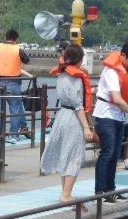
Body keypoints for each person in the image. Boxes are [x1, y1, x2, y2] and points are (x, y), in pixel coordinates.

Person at [93, 38, 128, 204]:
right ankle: (100, 192)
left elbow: (126, 90)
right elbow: (116, 98)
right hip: (105, 115)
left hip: (117, 116)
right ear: (122, 55)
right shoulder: (111, 71)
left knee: (115, 154)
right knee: (107, 153)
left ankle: (111, 190)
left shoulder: (124, 69)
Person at [40, 45, 93, 203]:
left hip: (62, 115)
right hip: (73, 119)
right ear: (80, 59)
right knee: (74, 155)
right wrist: (86, 127)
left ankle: (65, 192)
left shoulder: (62, 74)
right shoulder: (76, 77)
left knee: (65, 154)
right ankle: (66, 195)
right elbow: (78, 105)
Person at [0, 29, 30, 143]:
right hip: (13, 82)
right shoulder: (18, 49)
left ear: (6, 37)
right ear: (16, 39)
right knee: (15, 110)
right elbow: (27, 60)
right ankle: (13, 136)